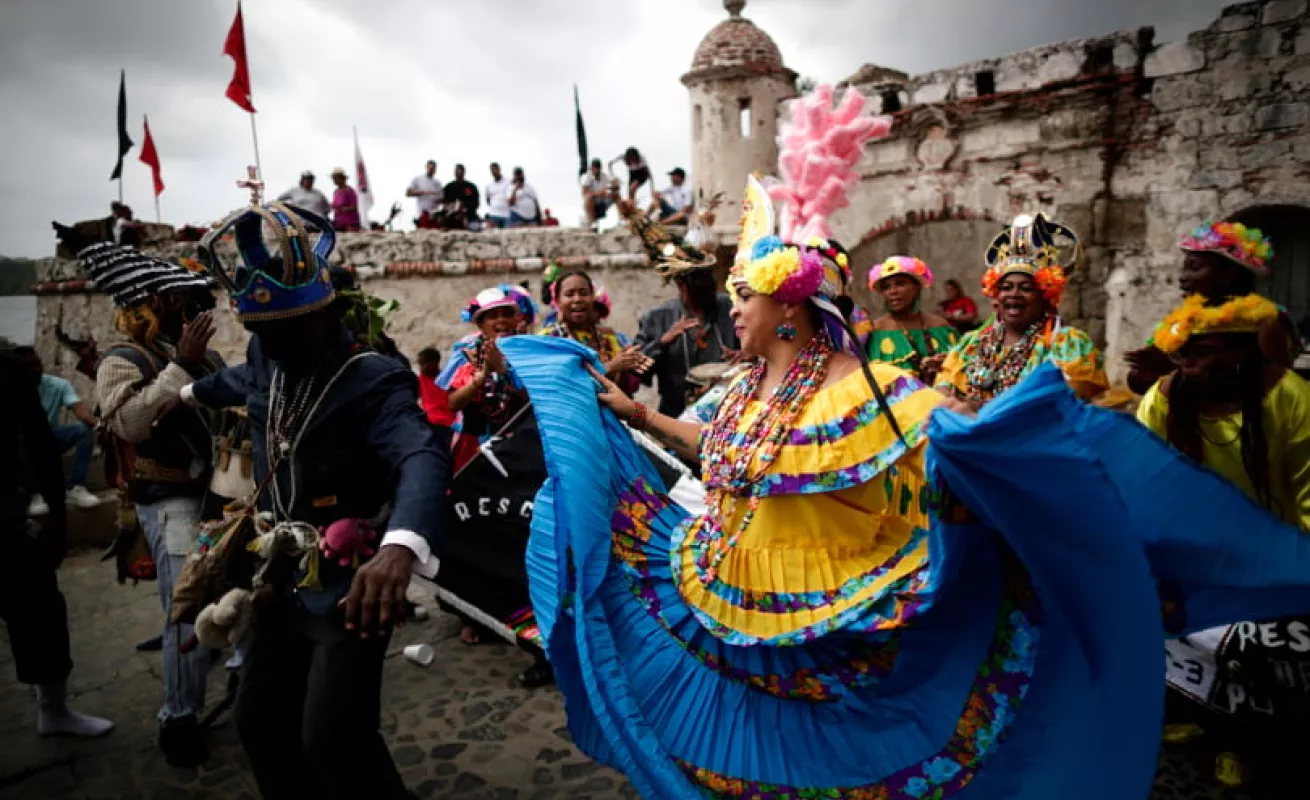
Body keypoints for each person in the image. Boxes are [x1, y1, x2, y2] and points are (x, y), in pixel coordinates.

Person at [497, 82, 1310, 800]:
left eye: (742, 299)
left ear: (787, 308)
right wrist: (632, 415)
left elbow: (959, 452)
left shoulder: (874, 392)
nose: (731, 314)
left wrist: (1024, 450)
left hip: (831, 612)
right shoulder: (743, 385)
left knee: (832, 755)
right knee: (734, 741)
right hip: (724, 585)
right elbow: (711, 451)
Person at [186, 198, 447, 800]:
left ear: (322, 315)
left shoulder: (374, 376)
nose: (272, 344)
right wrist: (183, 387)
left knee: (335, 739)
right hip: (276, 578)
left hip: (352, 583)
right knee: (258, 722)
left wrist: (399, 547)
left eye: (284, 330)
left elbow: (420, 455)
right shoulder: (265, 355)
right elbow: (235, 383)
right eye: (259, 331)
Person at [55, 225, 222, 767]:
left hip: (214, 496)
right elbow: (129, 422)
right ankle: (178, 716)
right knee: (184, 610)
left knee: (223, 599)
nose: (186, 308)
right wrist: (185, 366)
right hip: (169, 501)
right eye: (176, 300)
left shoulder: (192, 353)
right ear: (153, 305)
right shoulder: (121, 359)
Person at [1136, 293, 1310, 792]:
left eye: (1201, 354)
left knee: (1268, 664)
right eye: (1182, 355)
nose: (1187, 366)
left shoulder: (1290, 397)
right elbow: (1148, 488)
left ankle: (1250, 742)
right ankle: (1204, 725)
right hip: (1194, 559)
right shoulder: (1163, 400)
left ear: (1239, 352)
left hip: (1278, 560)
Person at [0, 340, 115, 742]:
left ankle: (53, 709)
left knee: (41, 612)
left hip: (7, 521)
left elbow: (40, 444)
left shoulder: (10, 371)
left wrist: (57, 517)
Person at [936, 212, 1109, 407]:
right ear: (995, 295)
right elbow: (943, 392)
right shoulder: (971, 344)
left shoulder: (1066, 344)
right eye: (1006, 287)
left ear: (1045, 297)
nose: (1014, 294)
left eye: (1026, 288)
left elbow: (1064, 400)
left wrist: (981, 408)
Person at [1126, 222, 1297, 395]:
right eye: (1184, 268)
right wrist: (1149, 372)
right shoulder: (1182, 319)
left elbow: (1281, 387)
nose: (1182, 278)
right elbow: (1141, 384)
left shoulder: (1264, 319)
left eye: (1195, 268)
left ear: (1228, 275)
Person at [622, 201, 737, 418]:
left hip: (730, 416)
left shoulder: (731, 309)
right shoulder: (657, 319)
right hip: (675, 417)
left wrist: (745, 355)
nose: (705, 287)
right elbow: (636, 375)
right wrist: (663, 343)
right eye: (697, 282)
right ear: (680, 284)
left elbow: (763, 351)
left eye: (708, 279)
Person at [445, 286, 532, 473]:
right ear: (481, 324)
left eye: (506, 314)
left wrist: (502, 370)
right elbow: (453, 403)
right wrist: (480, 378)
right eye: (493, 316)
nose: (501, 320)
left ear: (516, 319)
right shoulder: (468, 357)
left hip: (520, 445)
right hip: (474, 447)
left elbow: (534, 400)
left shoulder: (528, 353)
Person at [13, 347, 101, 514]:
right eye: (29, 367)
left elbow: (78, 407)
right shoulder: (10, 389)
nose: (36, 370)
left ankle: (76, 487)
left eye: (37, 364)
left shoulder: (56, 385)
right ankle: (35, 493)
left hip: (49, 439)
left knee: (83, 430)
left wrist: (98, 424)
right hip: (23, 445)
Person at [539, 271, 650, 395]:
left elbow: (627, 388)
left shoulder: (608, 337)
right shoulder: (548, 338)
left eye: (584, 293)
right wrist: (610, 367)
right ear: (558, 301)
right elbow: (558, 383)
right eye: (569, 294)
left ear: (592, 297)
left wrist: (630, 364)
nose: (577, 299)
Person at [866, 256, 958, 384]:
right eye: (886, 287)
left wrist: (945, 363)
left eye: (900, 283)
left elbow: (960, 371)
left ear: (916, 287)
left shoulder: (940, 326)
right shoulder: (875, 331)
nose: (893, 291)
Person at [416, 347, 456, 430]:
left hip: (449, 423)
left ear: (435, 362)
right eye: (420, 364)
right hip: (430, 423)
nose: (422, 368)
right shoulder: (420, 380)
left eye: (425, 364)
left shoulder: (448, 380)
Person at [406, 160, 443, 229]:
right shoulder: (418, 179)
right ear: (426, 167)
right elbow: (408, 193)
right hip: (422, 212)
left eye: (433, 168)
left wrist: (438, 200)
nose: (431, 170)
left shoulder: (438, 183)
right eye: (430, 168)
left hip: (434, 214)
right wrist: (423, 192)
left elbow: (441, 198)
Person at [580, 158, 615, 228]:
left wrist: (610, 189)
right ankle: (593, 222)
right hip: (592, 202)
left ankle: (622, 218)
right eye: (594, 167)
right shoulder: (586, 177)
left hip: (603, 201)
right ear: (591, 168)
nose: (596, 169)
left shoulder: (605, 176)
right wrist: (598, 193)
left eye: (597, 167)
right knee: (588, 197)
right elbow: (584, 193)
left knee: (616, 195)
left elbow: (614, 184)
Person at [329, 167, 361, 232]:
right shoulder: (336, 192)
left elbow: (354, 207)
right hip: (338, 224)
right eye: (333, 178)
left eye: (336, 178)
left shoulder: (349, 191)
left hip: (350, 224)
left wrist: (341, 208)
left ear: (342, 178)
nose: (334, 180)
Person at [484, 162, 511, 229]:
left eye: (495, 169)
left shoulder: (508, 182)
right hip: (494, 214)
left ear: (499, 170)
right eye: (492, 170)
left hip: (507, 214)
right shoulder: (489, 185)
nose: (494, 172)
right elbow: (488, 200)